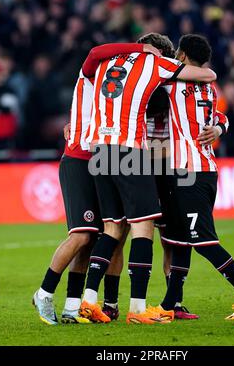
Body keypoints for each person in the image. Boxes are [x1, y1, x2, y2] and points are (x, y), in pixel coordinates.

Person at [80, 33, 217, 324]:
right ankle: (139, 310)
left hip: (100, 150)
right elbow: (207, 75)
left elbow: (92, 57)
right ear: (160, 53)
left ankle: (93, 300)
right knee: (146, 230)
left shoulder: (107, 62)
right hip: (135, 153)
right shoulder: (159, 68)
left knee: (113, 229)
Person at [32, 41, 160, 325]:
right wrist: (140, 50)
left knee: (105, 235)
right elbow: (94, 53)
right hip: (78, 157)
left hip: (101, 157)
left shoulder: (114, 84)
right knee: (82, 234)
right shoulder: (92, 72)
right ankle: (44, 292)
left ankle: (74, 306)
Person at [156, 34, 234, 320]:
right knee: (179, 240)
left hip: (192, 172)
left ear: (182, 55)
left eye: (178, 52)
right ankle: (169, 305)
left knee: (202, 240)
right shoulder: (209, 87)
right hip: (199, 170)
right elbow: (221, 117)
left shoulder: (173, 83)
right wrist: (219, 129)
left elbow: (151, 68)